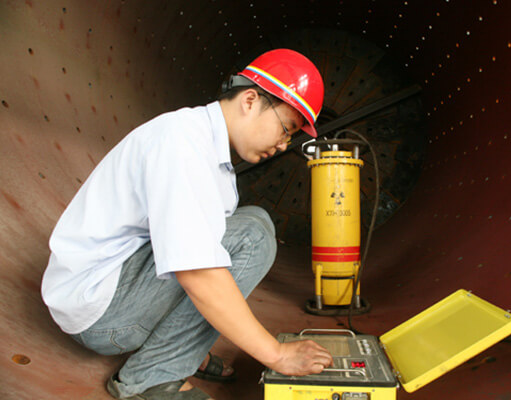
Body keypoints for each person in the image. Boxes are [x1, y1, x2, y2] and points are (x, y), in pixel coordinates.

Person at [41, 48, 333, 400]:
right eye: (286, 129)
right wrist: (276, 354)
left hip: (117, 292)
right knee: (252, 235)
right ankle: (151, 376)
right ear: (250, 100)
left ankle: (175, 350)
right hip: (101, 312)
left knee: (252, 224)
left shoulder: (208, 151)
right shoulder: (181, 143)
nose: (284, 145)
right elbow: (198, 273)